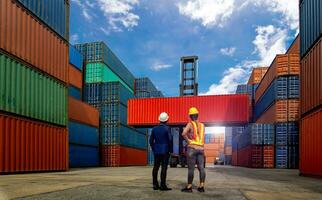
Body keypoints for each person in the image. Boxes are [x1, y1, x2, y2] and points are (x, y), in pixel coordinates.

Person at [181, 107, 206, 193]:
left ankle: (189, 187)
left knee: (191, 169)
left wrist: (189, 141)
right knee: (201, 168)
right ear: (197, 115)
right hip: (201, 149)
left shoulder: (190, 124)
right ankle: (201, 186)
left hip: (192, 148)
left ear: (190, 116)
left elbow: (183, 133)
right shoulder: (203, 125)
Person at [149, 112, 172, 191]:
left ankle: (155, 185)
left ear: (159, 119)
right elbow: (170, 140)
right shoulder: (167, 128)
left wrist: (153, 148)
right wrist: (170, 150)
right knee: (164, 168)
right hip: (165, 151)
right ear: (167, 120)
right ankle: (163, 186)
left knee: (155, 168)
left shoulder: (154, 129)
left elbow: (151, 140)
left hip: (156, 151)